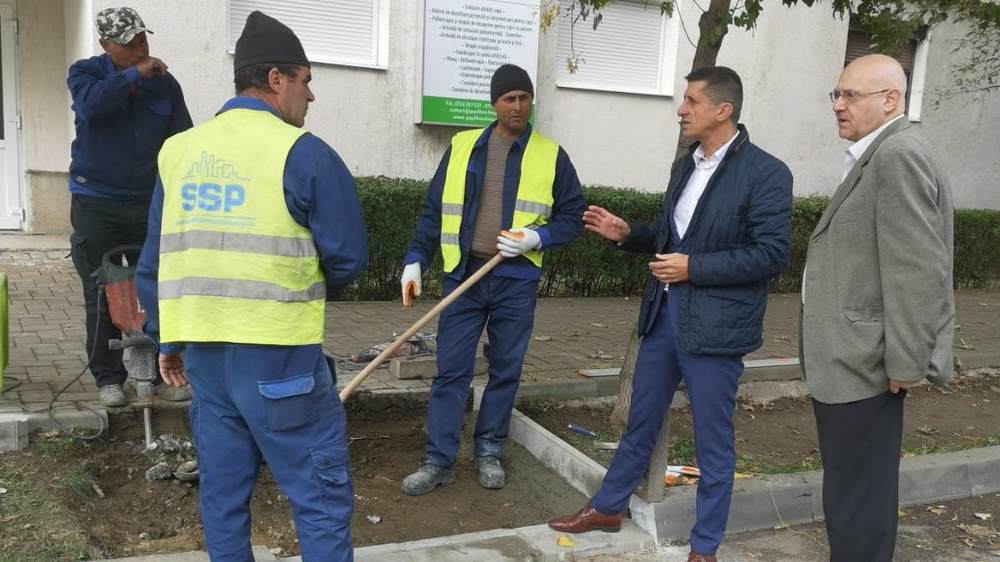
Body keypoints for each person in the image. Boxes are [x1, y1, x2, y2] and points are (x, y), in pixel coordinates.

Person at [135, 11, 367, 562]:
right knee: (319, 498)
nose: (311, 96)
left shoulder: (179, 152)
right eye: (305, 81)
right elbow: (347, 258)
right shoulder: (304, 152)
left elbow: (156, 262)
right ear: (276, 79)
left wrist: (167, 338)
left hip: (206, 360)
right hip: (281, 361)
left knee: (222, 496)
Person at [548, 66, 793, 562]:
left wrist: (693, 268)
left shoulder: (767, 172)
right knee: (640, 420)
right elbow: (672, 237)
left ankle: (705, 547)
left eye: (692, 101)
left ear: (723, 110)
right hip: (662, 318)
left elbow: (772, 255)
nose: (681, 110)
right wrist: (628, 235)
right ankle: (608, 507)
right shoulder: (685, 165)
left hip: (715, 329)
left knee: (712, 443)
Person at [399, 64, 585, 495]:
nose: (518, 106)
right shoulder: (463, 147)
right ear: (493, 104)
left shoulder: (551, 155)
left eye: (524, 98)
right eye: (509, 98)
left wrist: (538, 237)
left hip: (515, 281)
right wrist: (415, 260)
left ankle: (488, 450)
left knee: (505, 369)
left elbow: (574, 217)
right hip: (464, 275)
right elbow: (434, 210)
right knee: (451, 371)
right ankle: (439, 460)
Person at [802, 54, 954, 562]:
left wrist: (906, 361)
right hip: (851, 361)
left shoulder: (897, 154)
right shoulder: (877, 154)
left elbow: (916, 266)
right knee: (851, 499)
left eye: (851, 95)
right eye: (836, 94)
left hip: (865, 364)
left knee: (858, 507)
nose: (838, 105)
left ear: (891, 100)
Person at [68, 6, 193, 407]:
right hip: (97, 201)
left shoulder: (165, 85)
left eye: (143, 39)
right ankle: (109, 378)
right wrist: (134, 75)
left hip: (148, 203)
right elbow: (92, 106)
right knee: (101, 289)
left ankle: (160, 372)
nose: (141, 49)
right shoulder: (86, 74)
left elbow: (181, 140)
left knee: (155, 287)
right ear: (105, 44)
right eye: (129, 43)